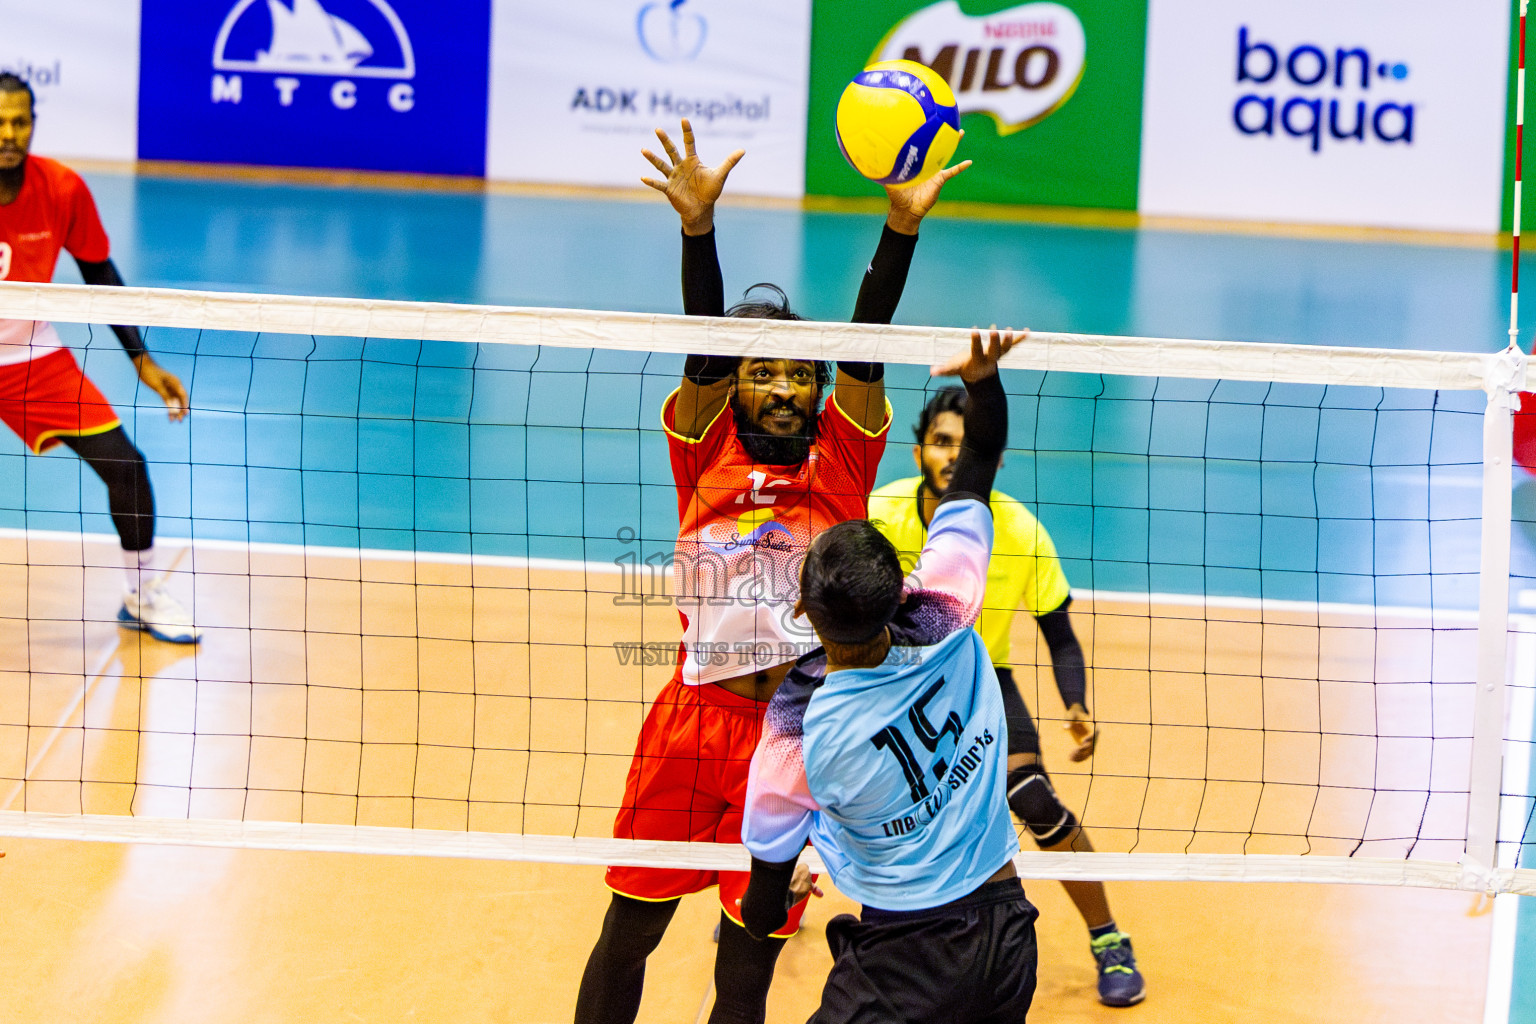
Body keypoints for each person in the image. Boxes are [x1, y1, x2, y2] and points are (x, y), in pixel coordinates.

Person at [573, 120, 968, 1024]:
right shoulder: (699, 445)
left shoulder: (843, 458)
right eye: (765, 374)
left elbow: (865, 345)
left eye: (802, 375)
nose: (786, 387)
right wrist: (697, 230)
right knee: (628, 934)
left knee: (746, 965)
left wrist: (899, 231)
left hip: (792, 739)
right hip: (687, 723)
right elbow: (704, 347)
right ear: (739, 385)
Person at [739, 328, 1038, 1024]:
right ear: (902, 581)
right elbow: (980, 462)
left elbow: (760, 905)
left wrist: (779, 897)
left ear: (802, 613)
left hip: (906, 959)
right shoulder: (948, 604)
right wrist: (983, 380)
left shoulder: (796, 726)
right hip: (1008, 930)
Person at [867, 386, 1146, 1006]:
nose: (953, 456)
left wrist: (1075, 703)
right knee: (831, 780)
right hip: (893, 678)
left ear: (992, 459)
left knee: (1034, 799)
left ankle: (1108, 939)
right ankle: (776, 885)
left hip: (982, 676)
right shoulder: (879, 514)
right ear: (918, 451)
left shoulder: (1020, 529)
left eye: (967, 446)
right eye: (941, 441)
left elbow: (1060, 636)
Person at [0, 73, 198, 644]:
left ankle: (142, 594)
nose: (10, 133)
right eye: (1, 121)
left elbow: (98, 273)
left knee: (126, 468)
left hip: (28, 355)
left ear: (33, 123)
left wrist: (141, 359)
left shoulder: (62, 189)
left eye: (21, 121)